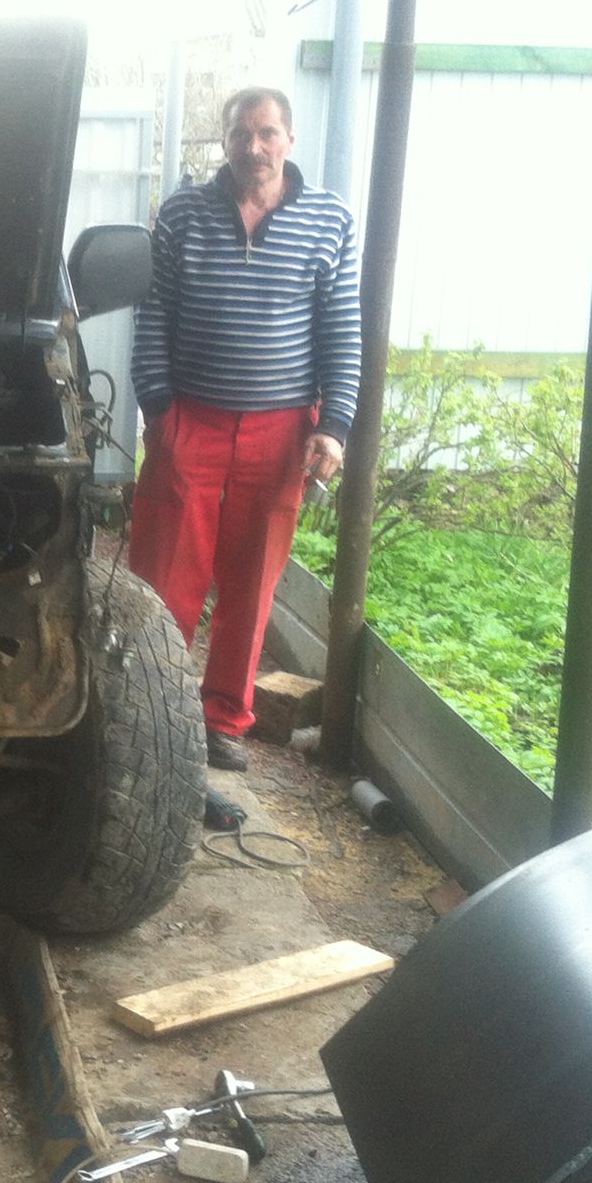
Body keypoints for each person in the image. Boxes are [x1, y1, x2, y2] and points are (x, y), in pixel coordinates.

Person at [127, 87, 359, 773]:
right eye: (239, 134)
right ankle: (151, 712)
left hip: (281, 430)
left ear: (290, 139)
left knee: (252, 583)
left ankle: (221, 720)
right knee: (165, 576)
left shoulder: (329, 219)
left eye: (266, 133)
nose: (252, 147)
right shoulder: (182, 214)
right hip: (190, 421)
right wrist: (159, 410)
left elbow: (342, 328)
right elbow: (152, 316)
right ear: (224, 141)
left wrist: (335, 425)